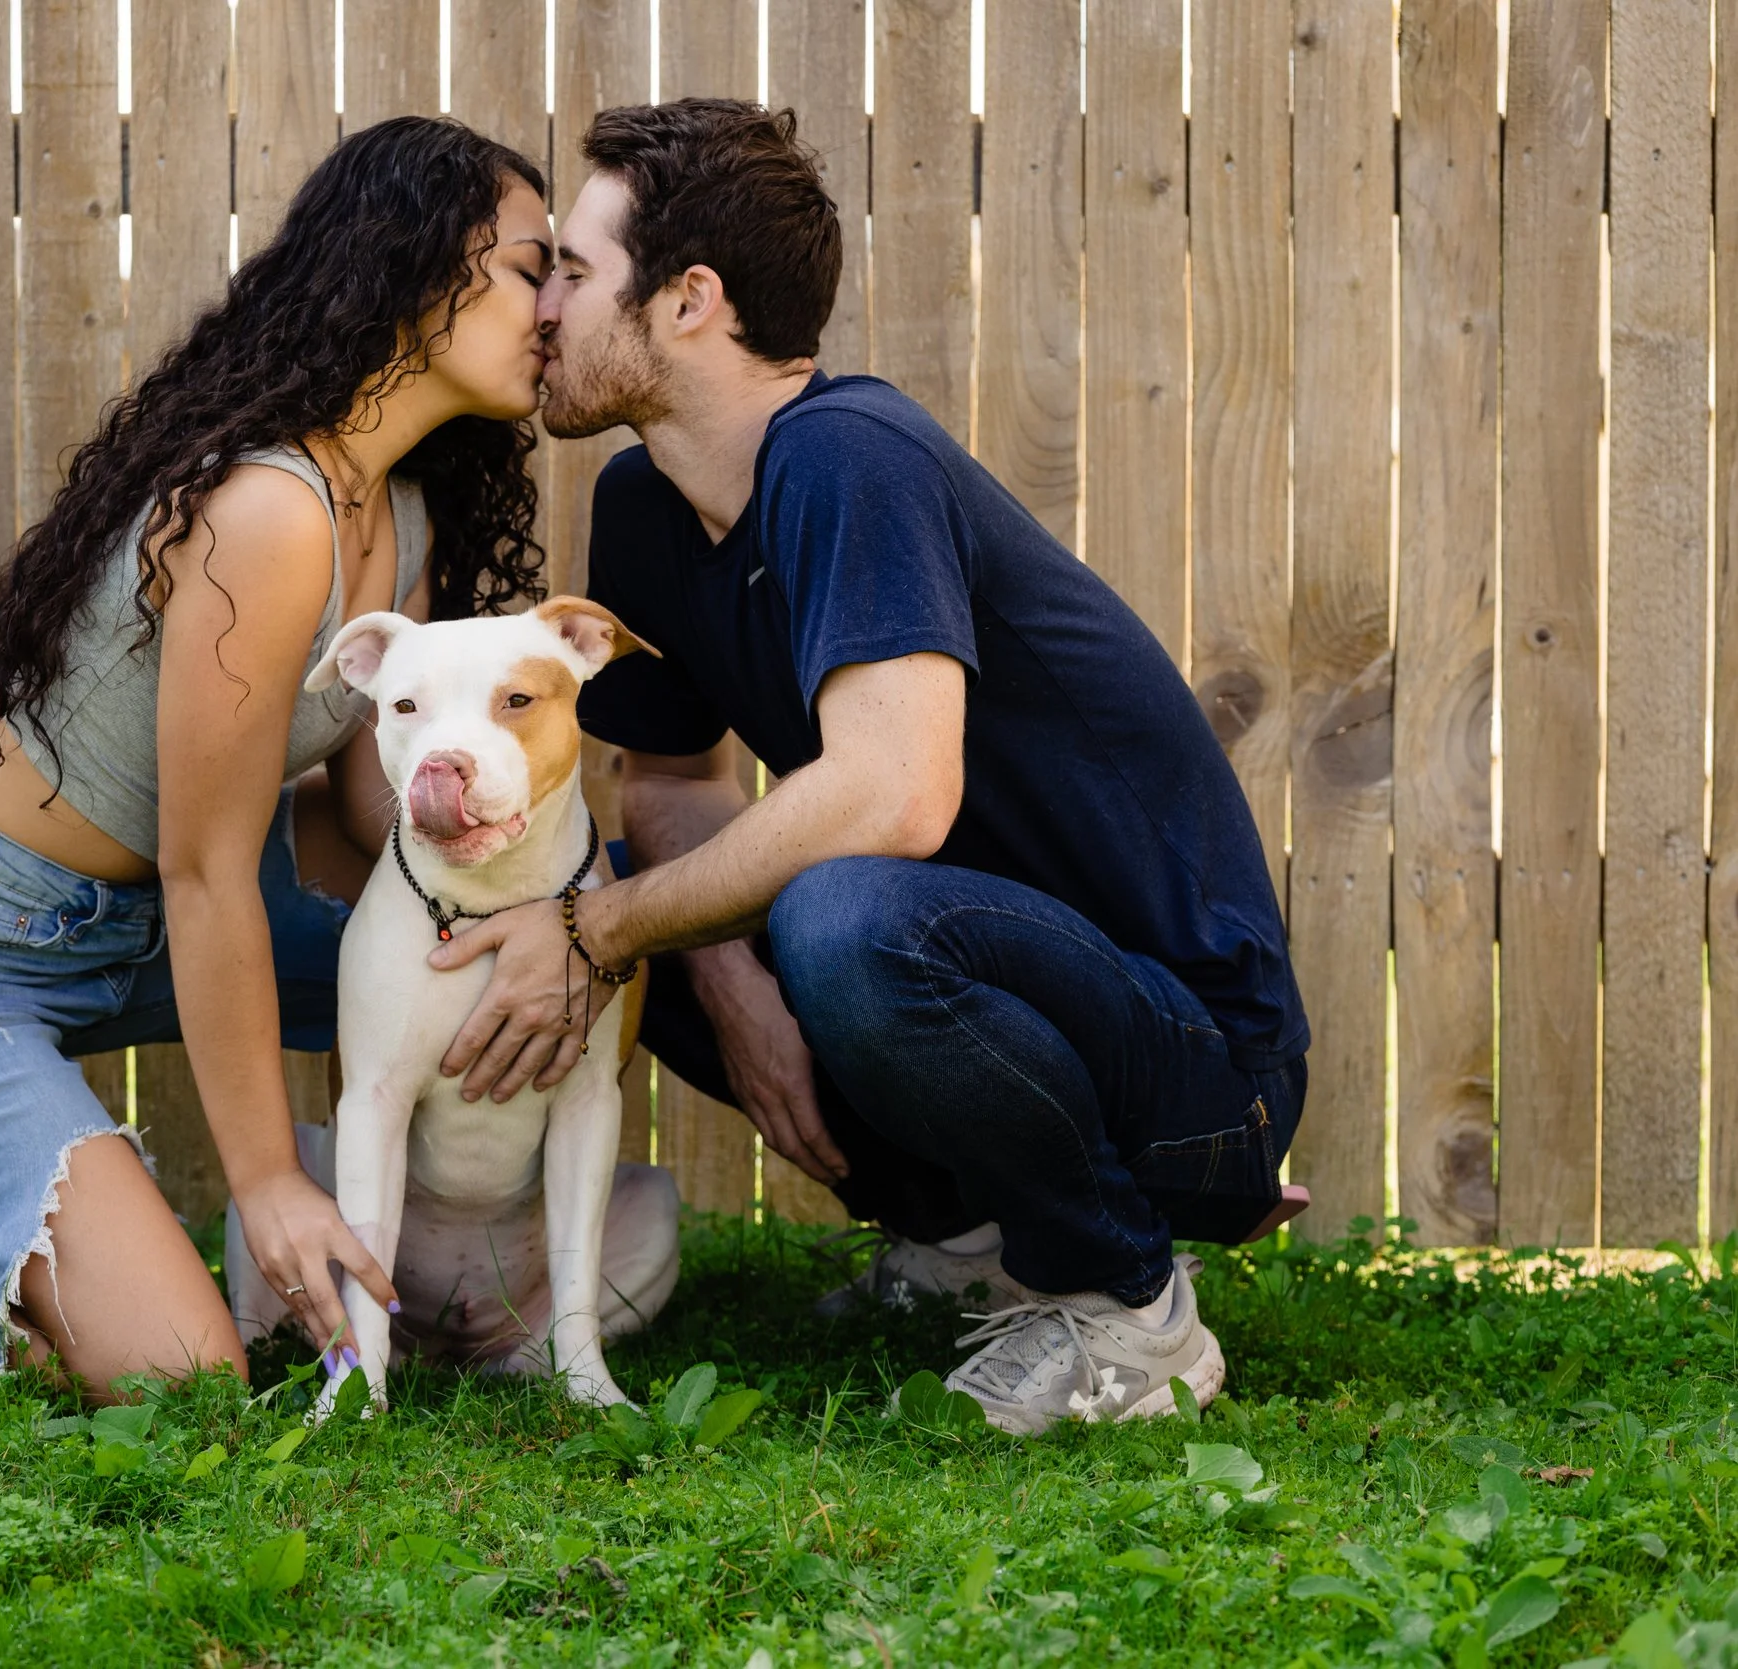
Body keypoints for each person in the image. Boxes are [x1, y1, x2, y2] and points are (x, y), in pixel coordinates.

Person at [0, 117, 651, 1397]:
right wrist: (270, 1185)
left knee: (485, 976)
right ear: (419, 272)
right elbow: (207, 873)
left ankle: (45, 1265)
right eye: (531, 268)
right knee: (181, 1378)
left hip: (127, 931)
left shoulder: (395, 513)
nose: (557, 308)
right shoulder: (266, 512)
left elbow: (375, 821)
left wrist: (551, 931)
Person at [430, 99, 1309, 1434]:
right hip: (1001, 986)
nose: (542, 305)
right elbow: (668, 782)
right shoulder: (645, 505)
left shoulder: (849, 455)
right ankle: (964, 1246)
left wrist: (601, 932)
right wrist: (730, 995)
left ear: (689, 303)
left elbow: (898, 794)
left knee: (809, 914)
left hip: (1194, 1064)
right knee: (631, 892)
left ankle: (1126, 1306)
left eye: (573, 268)